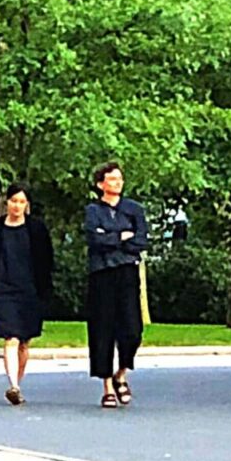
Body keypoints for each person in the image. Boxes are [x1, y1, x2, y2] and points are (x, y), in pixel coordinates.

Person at [0, 183, 54, 405]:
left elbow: (46, 261)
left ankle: (17, 384)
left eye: (22, 202)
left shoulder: (37, 230)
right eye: (14, 201)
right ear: (7, 203)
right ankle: (13, 384)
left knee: (24, 342)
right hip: (3, 289)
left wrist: (44, 291)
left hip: (29, 290)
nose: (17, 206)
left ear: (27, 205)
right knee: (10, 338)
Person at [83, 161, 146, 408]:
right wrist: (120, 236)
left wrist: (113, 239)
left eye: (119, 178)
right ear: (101, 184)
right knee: (103, 329)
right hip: (101, 274)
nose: (117, 183)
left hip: (127, 272)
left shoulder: (134, 209)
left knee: (132, 330)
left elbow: (140, 240)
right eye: (111, 179)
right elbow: (94, 240)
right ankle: (108, 385)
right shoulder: (93, 211)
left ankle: (122, 373)